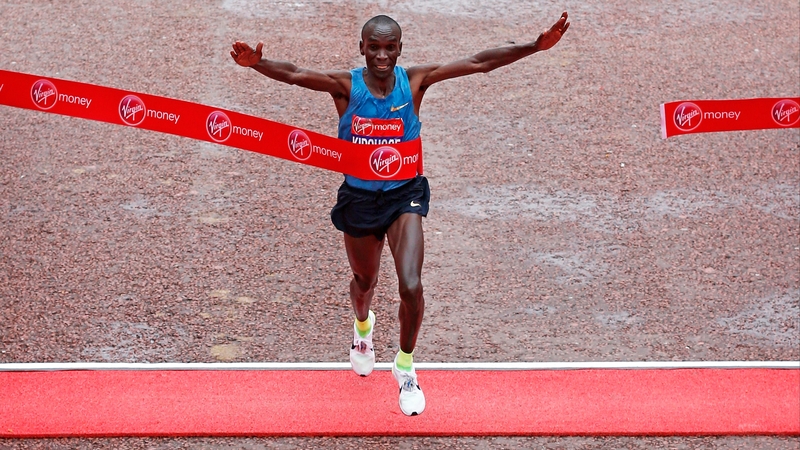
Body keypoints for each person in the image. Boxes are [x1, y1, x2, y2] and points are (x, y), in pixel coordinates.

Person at [230, 11, 570, 416]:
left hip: (404, 195)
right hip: (358, 199)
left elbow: (480, 62)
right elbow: (296, 73)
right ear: (362, 48)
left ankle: (405, 366)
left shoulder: (414, 82)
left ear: (399, 50)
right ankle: (362, 329)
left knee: (411, 285)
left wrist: (534, 47)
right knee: (364, 281)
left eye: (390, 47)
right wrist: (258, 64)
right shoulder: (345, 86)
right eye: (374, 47)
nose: (381, 55)